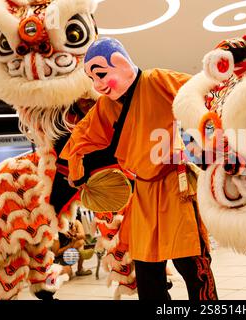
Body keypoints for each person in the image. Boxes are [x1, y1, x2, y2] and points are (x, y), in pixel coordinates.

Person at [60, 38, 218, 300]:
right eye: (92, 79)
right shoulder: (106, 106)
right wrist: (78, 172)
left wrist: (209, 136)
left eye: (100, 74)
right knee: (147, 274)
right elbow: (82, 137)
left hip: (174, 184)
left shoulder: (156, 80)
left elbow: (201, 94)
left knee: (192, 266)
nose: (97, 85)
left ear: (120, 64)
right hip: (143, 192)